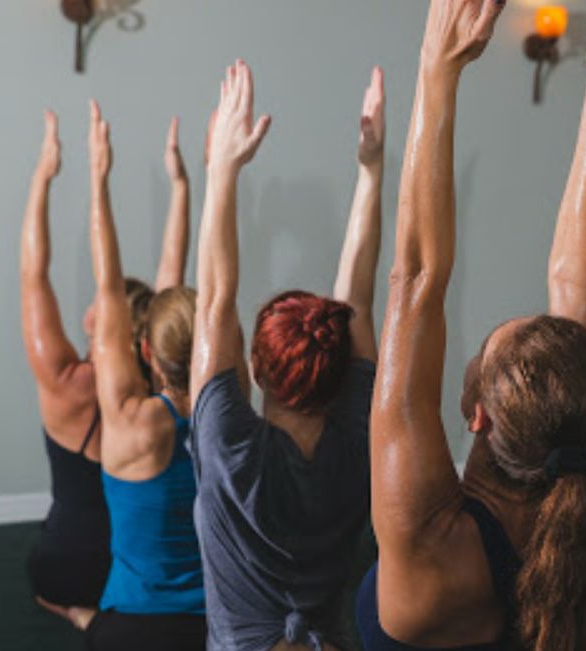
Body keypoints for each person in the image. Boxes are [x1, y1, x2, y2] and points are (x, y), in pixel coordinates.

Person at [356, 1, 586, 650]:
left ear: (478, 413)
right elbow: (578, 286)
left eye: (484, 351)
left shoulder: (431, 541)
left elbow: (417, 278)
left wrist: (437, 67)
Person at [189, 61, 385, 651]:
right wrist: (371, 172)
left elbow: (214, 303)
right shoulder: (358, 438)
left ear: (257, 369)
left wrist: (222, 170)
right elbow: (359, 303)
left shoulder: (231, 447)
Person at [20, 110, 192, 619]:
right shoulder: (152, 387)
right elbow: (170, 285)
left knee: (44, 585)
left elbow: (33, 275)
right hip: (132, 563)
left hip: (68, 567)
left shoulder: (65, 382)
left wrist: (43, 176)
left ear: (106, 321)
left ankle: (77, 615)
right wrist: (181, 187)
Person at [68, 101, 206, 651]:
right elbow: (174, 303)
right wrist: (183, 187)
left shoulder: (129, 422)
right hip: (210, 627)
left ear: (145, 349)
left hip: (131, 626)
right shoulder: (226, 420)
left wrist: (98, 178)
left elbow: (109, 288)